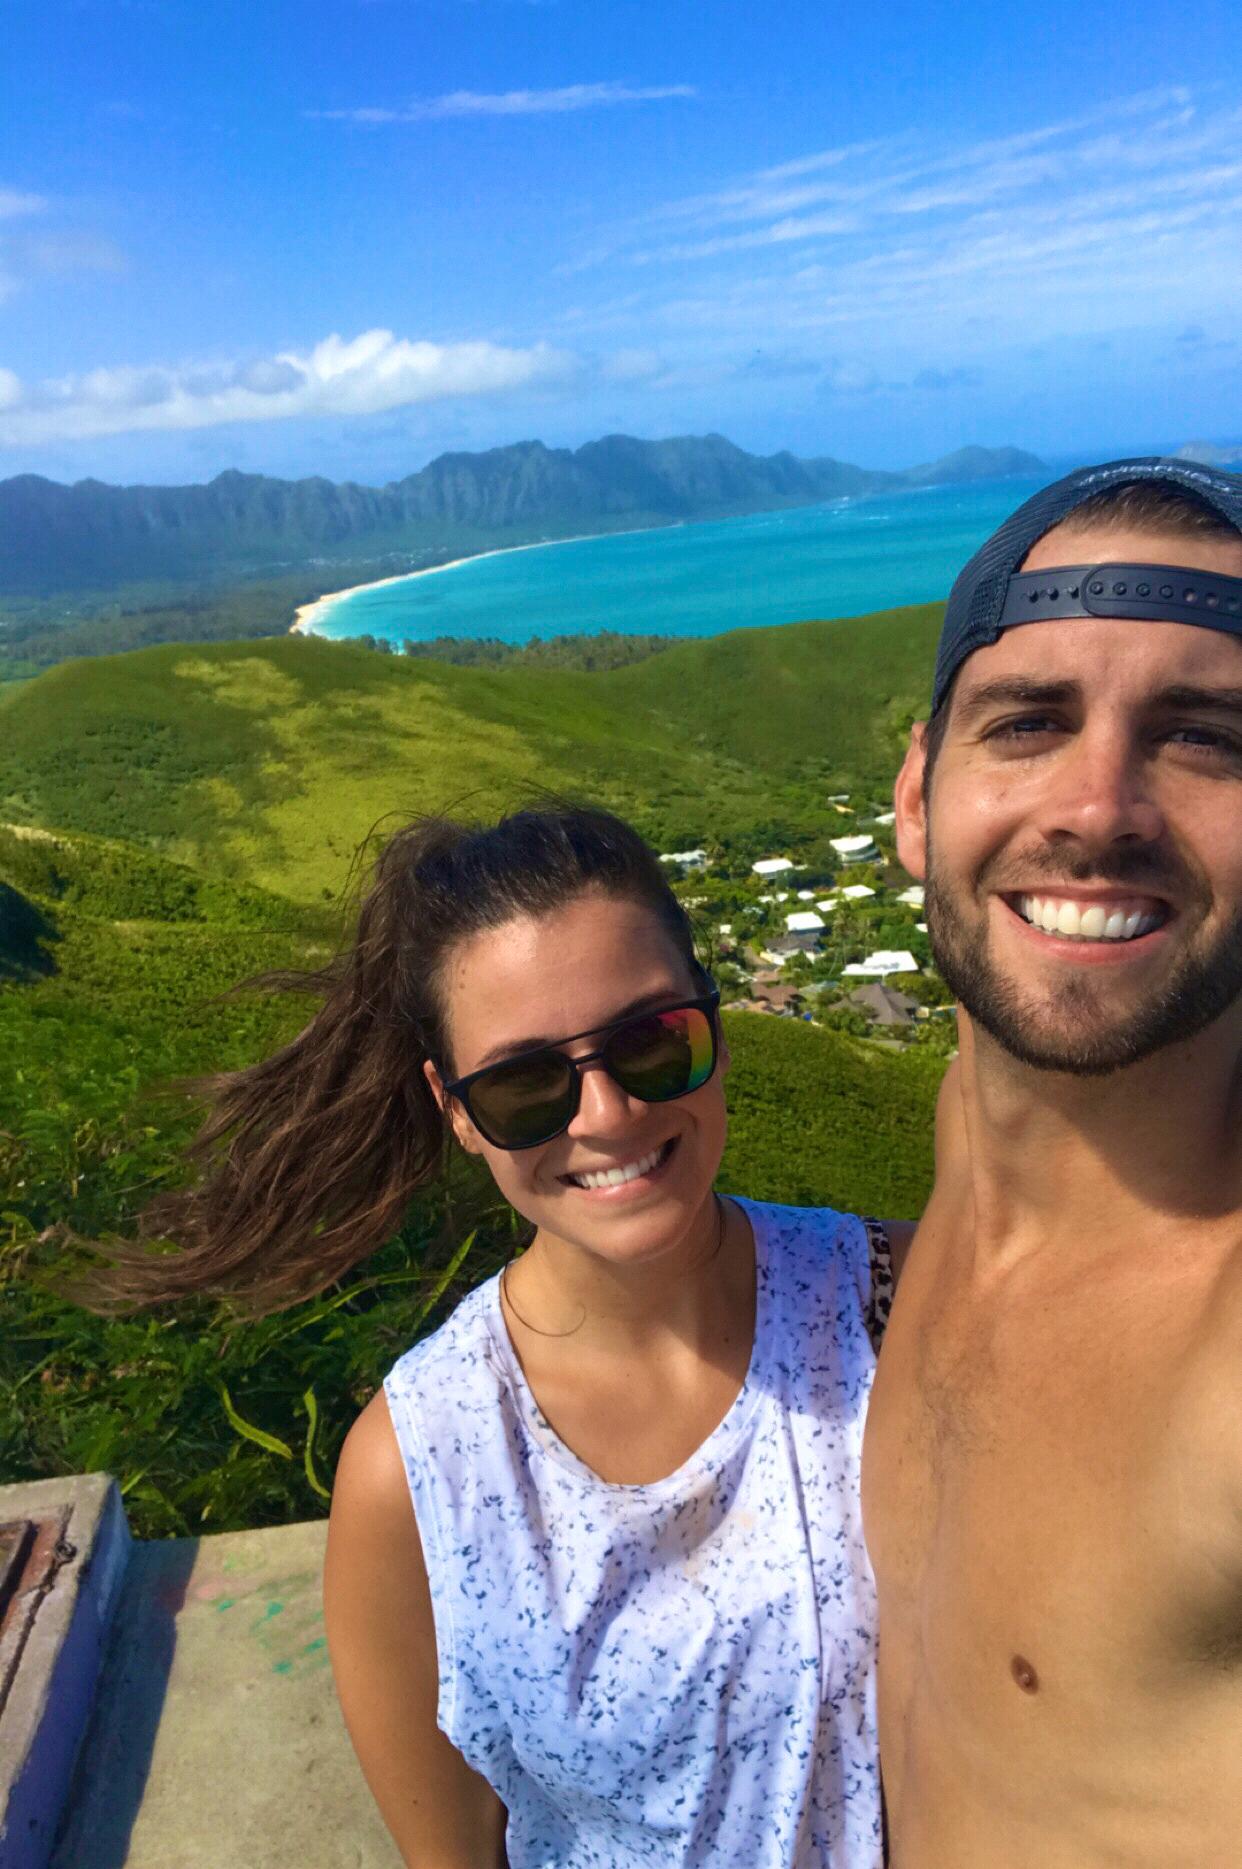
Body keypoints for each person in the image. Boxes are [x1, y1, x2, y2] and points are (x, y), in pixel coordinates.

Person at [310, 804, 915, 1869]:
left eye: (650, 1042)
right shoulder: (418, 1472)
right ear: (455, 1110)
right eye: (525, 1084)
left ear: (714, 1026)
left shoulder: (892, 1303)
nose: (605, 1114)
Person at [866, 459, 1242, 1865]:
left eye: (1204, 739)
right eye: (1025, 722)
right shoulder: (966, 1137)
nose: (1096, 809)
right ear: (917, 796)